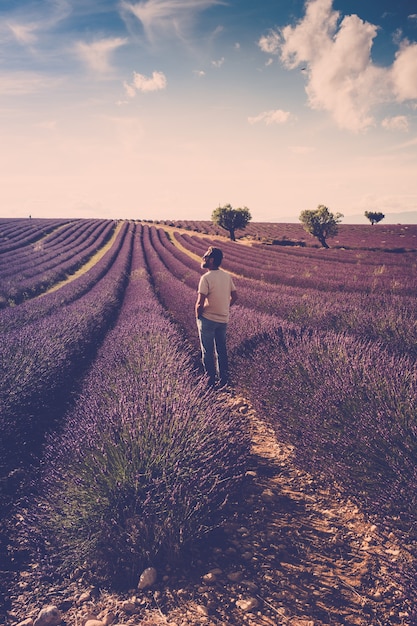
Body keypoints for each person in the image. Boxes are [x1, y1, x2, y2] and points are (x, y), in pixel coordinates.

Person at [195, 246, 237, 388]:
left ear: (211, 260)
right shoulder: (227, 276)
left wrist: (198, 316)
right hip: (223, 319)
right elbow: (235, 296)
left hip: (208, 319)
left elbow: (199, 303)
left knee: (207, 351)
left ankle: (210, 382)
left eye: (206, 256)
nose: (203, 258)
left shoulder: (205, 278)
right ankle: (224, 380)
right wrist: (225, 307)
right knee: (221, 350)